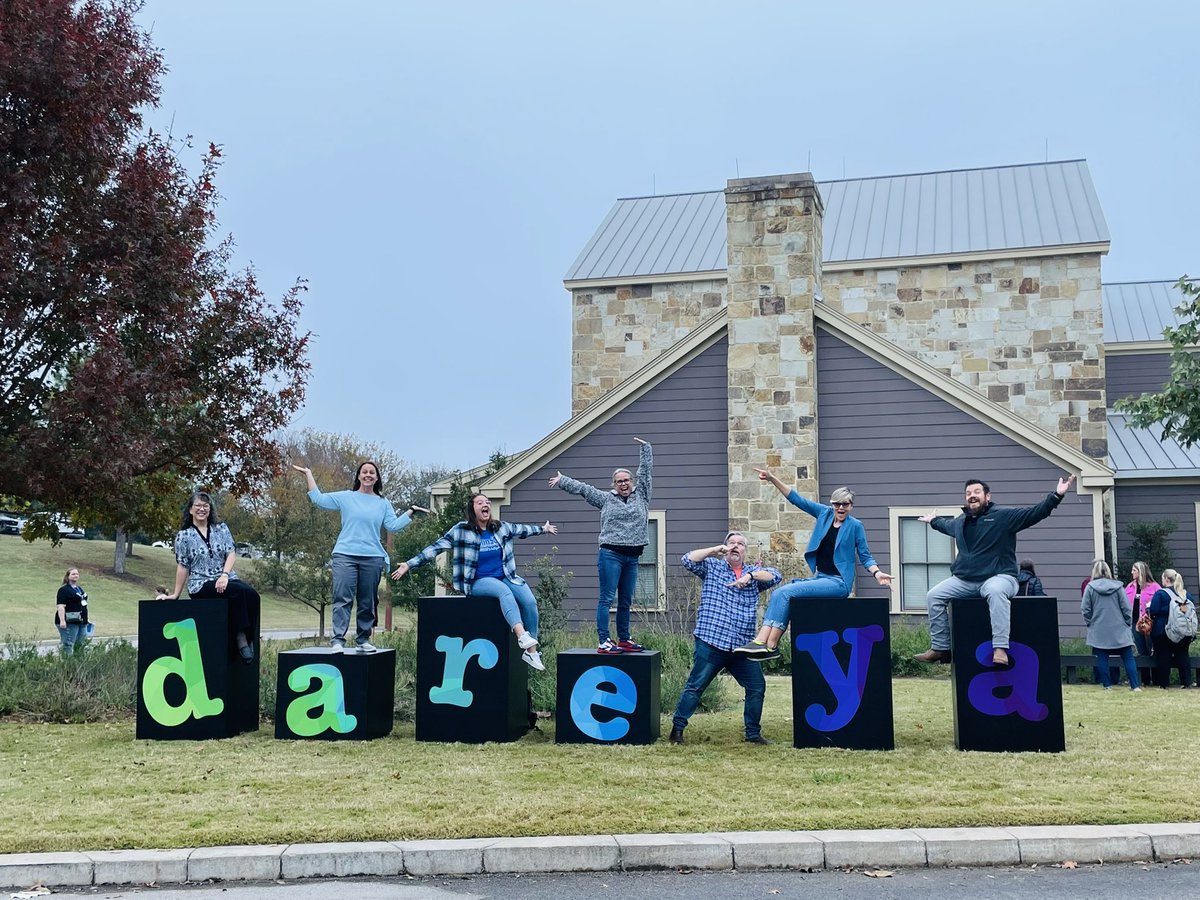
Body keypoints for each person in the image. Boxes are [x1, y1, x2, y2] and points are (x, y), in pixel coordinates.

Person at [914, 474, 1076, 667]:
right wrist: (933, 521)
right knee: (934, 595)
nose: (972, 496)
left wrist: (1056, 496)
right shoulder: (961, 522)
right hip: (966, 580)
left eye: (976, 492)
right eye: (968, 493)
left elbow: (1035, 513)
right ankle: (941, 649)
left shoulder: (1003, 516)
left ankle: (1000, 648)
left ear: (987, 496)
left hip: (1000, 576)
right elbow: (945, 525)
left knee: (996, 591)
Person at [734, 471, 890, 661]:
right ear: (832, 504)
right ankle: (766, 645)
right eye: (837, 504)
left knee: (784, 593)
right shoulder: (823, 514)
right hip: (821, 577)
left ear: (851, 506)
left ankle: (766, 643)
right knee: (780, 594)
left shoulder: (856, 526)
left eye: (845, 504)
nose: (841, 508)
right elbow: (796, 499)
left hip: (838, 583)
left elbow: (865, 556)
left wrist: (877, 573)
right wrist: (773, 479)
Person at [391, 493, 558, 672]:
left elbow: (522, 530)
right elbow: (436, 547)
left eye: (487, 502)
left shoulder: (500, 528)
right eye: (480, 503)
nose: (485, 505)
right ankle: (521, 635)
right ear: (473, 509)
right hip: (476, 581)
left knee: (530, 602)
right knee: (504, 592)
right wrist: (409, 564)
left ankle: (531, 652)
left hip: (505, 576)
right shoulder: (461, 530)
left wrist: (543, 529)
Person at [294, 461, 426, 652]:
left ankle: (363, 640)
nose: (368, 475)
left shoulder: (383, 503)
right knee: (343, 598)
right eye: (364, 472)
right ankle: (338, 640)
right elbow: (318, 499)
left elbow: (393, 526)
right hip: (345, 555)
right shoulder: (347, 497)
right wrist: (308, 473)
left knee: (367, 601)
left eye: (372, 472)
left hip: (372, 558)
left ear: (377, 478)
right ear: (358, 476)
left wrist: (411, 511)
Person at [669, 532, 782, 745]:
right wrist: (713, 550)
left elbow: (775, 576)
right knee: (696, 686)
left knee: (756, 686)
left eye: (740, 544)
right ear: (725, 547)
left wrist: (749, 577)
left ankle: (753, 734)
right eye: (731, 543)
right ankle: (677, 731)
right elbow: (687, 560)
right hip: (712, 641)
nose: (735, 547)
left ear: (745, 551)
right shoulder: (712, 566)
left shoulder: (753, 573)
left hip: (742, 646)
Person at [548, 437, 652, 654]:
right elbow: (584, 489)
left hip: (632, 557)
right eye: (619, 481)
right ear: (614, 485)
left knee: (625, 600)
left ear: (632, 482)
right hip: (611, 554)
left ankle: (624, 639)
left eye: (626, 480)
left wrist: (646, 448)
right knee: (606, 598)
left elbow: (646, 472)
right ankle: (604, 640)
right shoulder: (605, 499)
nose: (623, 484)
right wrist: (563, 480)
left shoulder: (641, 496)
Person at [156, 491, 260, 664]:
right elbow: (183, 566)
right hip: (201, 583)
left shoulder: (221, 528)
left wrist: (225, 575)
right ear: (190, 510)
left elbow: (231, 553)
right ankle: (240, 637)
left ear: (210, 509)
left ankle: (250, 639)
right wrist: (175, 594)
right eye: (198, 506)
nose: (202, 509)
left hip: (226, 579)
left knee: (252, 595)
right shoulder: (184, 536)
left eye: (206, 506)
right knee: (238, 592)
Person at [1081, 560, 1141, 691]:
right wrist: (1127, 623)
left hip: (1098, 629)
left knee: (1102, 657)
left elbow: (1085, 609)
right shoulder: (1118, 587)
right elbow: (1126, 608)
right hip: (1119, 628)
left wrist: (1090, 623)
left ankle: (1107, 685)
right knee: (1128, 657)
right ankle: (1135, 685)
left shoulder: (1090, 588)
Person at [1148, 569, 1197, 689]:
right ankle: (1186, 682)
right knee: (1183, 656)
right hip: (1183, 631)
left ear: (1166, 579)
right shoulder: (1186, 595)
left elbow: (1153, 610)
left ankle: (1164, 683)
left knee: (1164, 657)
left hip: (1163, 630)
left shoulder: (1160, 594)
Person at [1125, 560, 1160, 662]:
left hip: (1149, 623)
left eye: (1134, 570)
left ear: (1141, 572)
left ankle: (1155, 677)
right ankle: (1144, 677)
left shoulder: (1155, 587)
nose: (1132, 572)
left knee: (1152, 651)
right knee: (1141, 652)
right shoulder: (1129, 587)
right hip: (1135, 623)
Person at [54, 567, 89, 654]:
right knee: (68, 643)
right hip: (70, 621)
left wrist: (86, 618)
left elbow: (82, 604)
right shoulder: (64, 590)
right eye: (73, 574)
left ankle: (78, 664)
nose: (75, 576)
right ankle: (67, 663)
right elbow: (61, 606)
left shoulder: (79, 589)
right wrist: (62, 621)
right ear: (68, 576)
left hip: (81, 621)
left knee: (81, 644)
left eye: (77, 574)